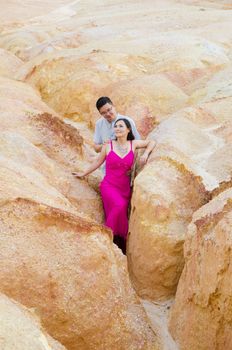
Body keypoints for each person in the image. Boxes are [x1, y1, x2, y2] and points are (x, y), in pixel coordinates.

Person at [73, 118, 155, 254]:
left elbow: (151, 142)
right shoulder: (108, 145)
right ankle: (105, 237)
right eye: (116, 126)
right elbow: (98, 162)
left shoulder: (133, 144)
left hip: (124, 188)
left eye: (121, 126)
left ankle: (118, 246)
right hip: (109, 185)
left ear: (128, 129)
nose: (117, 128)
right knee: (118, 206)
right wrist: (84, 173)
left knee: (120, 214)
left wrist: (146, 154)